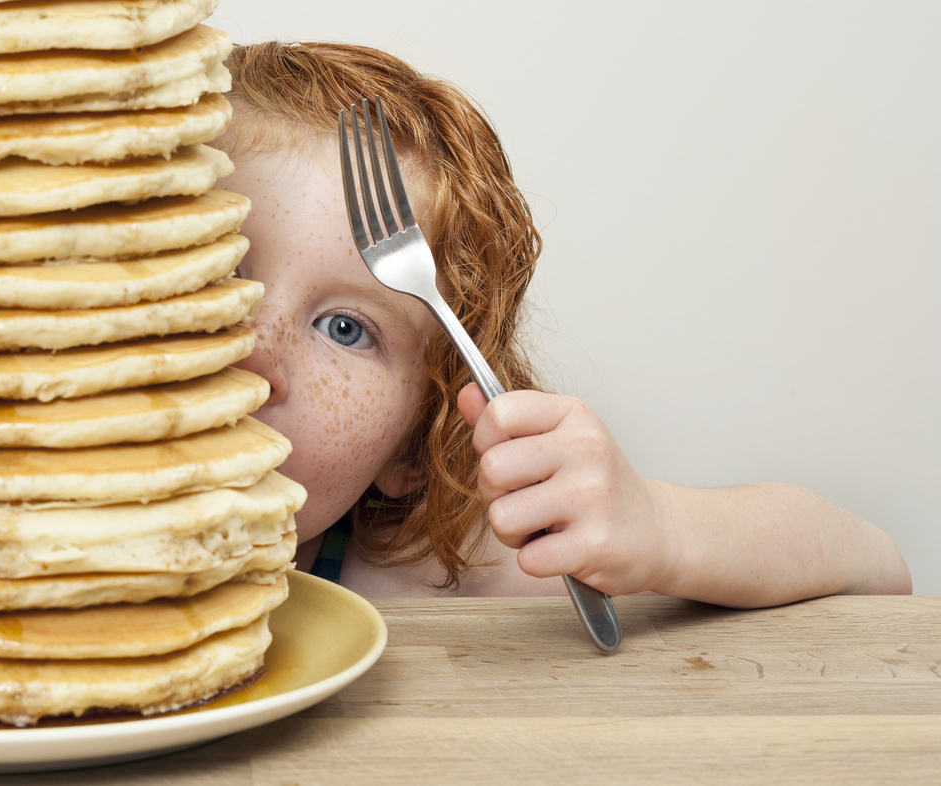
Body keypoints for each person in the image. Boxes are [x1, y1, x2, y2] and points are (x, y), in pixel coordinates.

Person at [214, 40, 912, 604]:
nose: (254, 360)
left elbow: (875, 569)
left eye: (345, 329)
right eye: (213, 279)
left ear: (410, 454)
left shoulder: (407, 577)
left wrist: (664, 529)